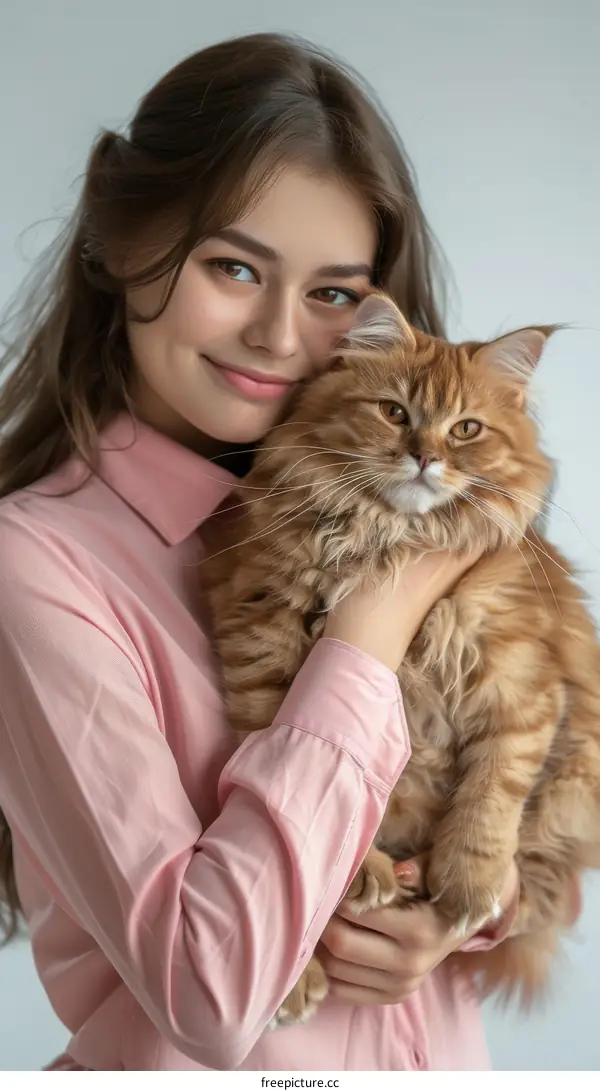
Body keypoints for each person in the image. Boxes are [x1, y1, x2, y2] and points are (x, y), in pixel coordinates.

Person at [0, 32, 579, 1073]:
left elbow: (551, 820)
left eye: (330, 295)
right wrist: (369, 628)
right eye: (233, 266)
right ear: (121, 245)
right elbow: (211, 992)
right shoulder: (33, 565)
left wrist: (460, 913)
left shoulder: (412, 496)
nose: (276, 333)